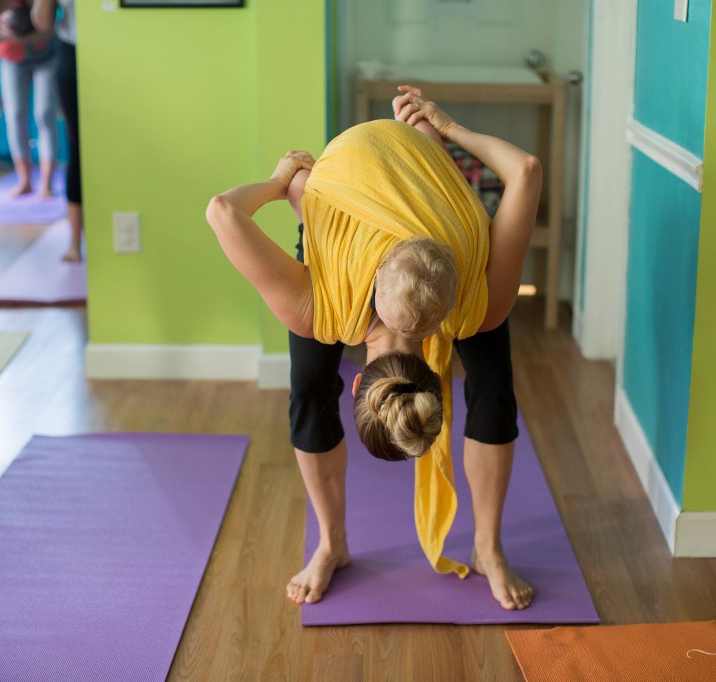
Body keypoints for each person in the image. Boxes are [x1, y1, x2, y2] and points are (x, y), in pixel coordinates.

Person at [206, 87, 541, 610]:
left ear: (437, 374)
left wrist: (287, 182)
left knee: (494, 390)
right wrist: (286, 183)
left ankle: (487, 548)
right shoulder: (470, 304)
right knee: (309, 389)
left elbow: (525, 171)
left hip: (407, 192)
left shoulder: (470, 302)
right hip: (385, 187)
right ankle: (331, 543)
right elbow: (235, 209)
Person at [0, 0, 58, 200]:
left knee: (44, 114)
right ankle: (25, 181)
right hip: (11, 60)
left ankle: (47, 183)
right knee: (15, 116)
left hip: (45, 56)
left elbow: (52, 28)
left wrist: (23, 39)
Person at [30, 0, 81, 262]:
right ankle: (75, 242)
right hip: (72, 53)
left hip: (114, 50)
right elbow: (43, 22)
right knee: (78, 148)